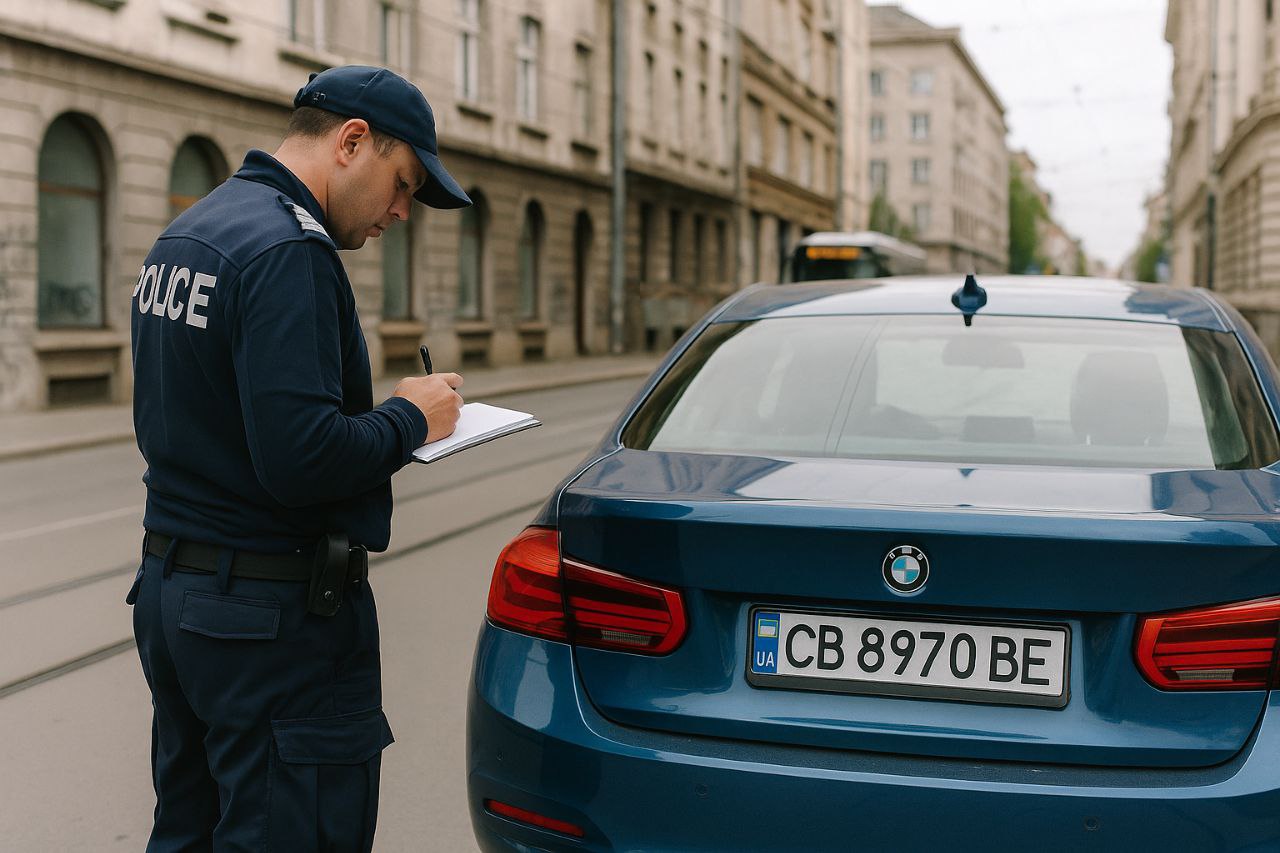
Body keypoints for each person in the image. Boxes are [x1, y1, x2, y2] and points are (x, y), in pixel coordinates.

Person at [127, 66, 469, 851]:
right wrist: (411, 417)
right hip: (268, 623)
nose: (399, 210)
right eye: (402, 182)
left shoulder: (193, 231)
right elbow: (304, 457)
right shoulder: (291, 250)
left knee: (189, 828)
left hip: (177, 599)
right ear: (352, 141)